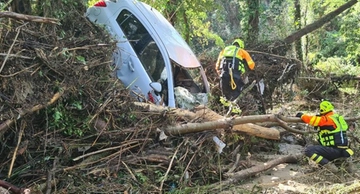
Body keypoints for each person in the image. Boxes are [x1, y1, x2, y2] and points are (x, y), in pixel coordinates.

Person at [296, 100, 354, 173]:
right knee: (320, 148)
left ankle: (330, 167)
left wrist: (302, 115)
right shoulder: (338, 118)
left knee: (308, 150)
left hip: (334, 150)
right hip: (344, 150)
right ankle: (341, 164)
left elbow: (312, 120)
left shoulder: (327, 119)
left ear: (322, 110)